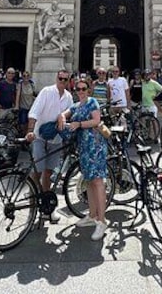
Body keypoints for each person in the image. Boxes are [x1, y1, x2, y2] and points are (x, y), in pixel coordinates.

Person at [58, 80, 108, 240]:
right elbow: (66, 113)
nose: (81, 91)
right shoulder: (76, 105)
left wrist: (78, 123)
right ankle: (92, 216)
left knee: (98, 182)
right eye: (78, 89)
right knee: (89, 181)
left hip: (95, 145)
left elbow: (96, 120)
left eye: (83, 89)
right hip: (83, 147)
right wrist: (61, 117)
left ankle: (102, 221)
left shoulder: (92, 102)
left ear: (89, 89)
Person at [26, 69, 73, 224]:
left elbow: (71, 112)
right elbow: (34, 112)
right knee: (37, 172)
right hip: (39, 137)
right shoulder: (47, 91)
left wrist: (63, 116)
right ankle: (32, 211)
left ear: (68, 81)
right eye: (60, 78)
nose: (62, 81)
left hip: (56, 139)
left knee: (48, 173)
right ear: (56, 78)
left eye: (65, 79)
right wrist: (30, 131)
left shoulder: (68, 97)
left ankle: (47, 208)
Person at [15, 70, 36, 135]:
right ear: (22, 77)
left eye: (27, 76)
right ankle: (23, 135)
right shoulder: (20, 85)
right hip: (23, 107)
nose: (26, 77)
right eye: (24, 76)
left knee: (29, 123)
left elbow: (33, 95)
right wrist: (17, 106)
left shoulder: (32, 85)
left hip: (30, 107)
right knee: (23, 123)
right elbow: (18, 96)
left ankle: (27, 137)